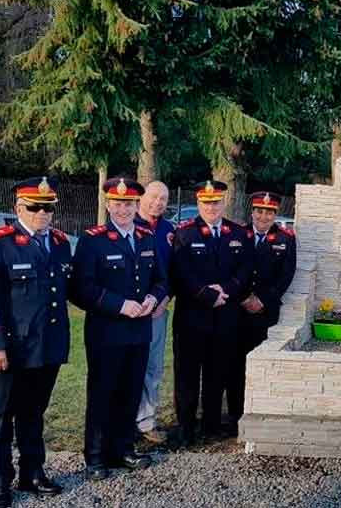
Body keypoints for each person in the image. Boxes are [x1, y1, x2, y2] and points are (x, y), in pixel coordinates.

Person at [0, 177, 71, 507]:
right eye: (34, 207)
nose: (42, 213)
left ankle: (32, 472)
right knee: (0, 415)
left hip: (47, 345)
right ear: (18, 209)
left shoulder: (58, 242)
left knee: (34, 411)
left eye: (47, 208)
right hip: (10, 348)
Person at [70, 178, 167, 481]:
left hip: (139, 330)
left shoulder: (146, 236)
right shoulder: (94, 239)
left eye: (128, 204)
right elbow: (80, 288)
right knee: (102, 393)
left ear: (137, 205)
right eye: (117, 203)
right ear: (108, 205)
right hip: (106, 331)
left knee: (130, 389)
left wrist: (153, 297)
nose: (123, 209)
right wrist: (119, 305)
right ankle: (96, 456)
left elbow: (161, 279)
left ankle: (123, 448)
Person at [170, 180, 252, 444]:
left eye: (216, 202)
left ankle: (211, 425)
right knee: (187, 375)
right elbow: (181, 273)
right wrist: (207, 295)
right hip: (192, 316)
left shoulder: (238, 233)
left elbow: (245, 271)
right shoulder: (184, 233)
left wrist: (224, 290)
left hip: (225, 315)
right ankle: (185, 427)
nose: (211, 207)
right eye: (206, 203)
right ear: (198, 203)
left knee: (218, 372)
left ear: (223, 202)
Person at [226, 192, 297, 436]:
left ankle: (258, 410)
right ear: (252, 212)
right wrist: (244, 298)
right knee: (235, 363)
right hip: (238, 310)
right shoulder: (237, 235)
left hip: (265, 312)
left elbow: (286, 275)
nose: (263, 216)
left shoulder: (285, 239)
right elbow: (230, 271)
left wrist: (263, 300)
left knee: (261, 364)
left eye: (269, 212)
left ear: (275, 214)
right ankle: (235, 414)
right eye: (259, 211)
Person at [134, 181, 175, 444]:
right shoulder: (127, 223)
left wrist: (164, 299)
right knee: (128, 368)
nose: (157, 203)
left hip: (158, 310)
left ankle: (146, 421)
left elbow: (175, 270)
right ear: (141, 198)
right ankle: (123, 420)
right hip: (129, 312)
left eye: (163, 199)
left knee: (153, 368)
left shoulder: (170, 231)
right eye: (153, 197)